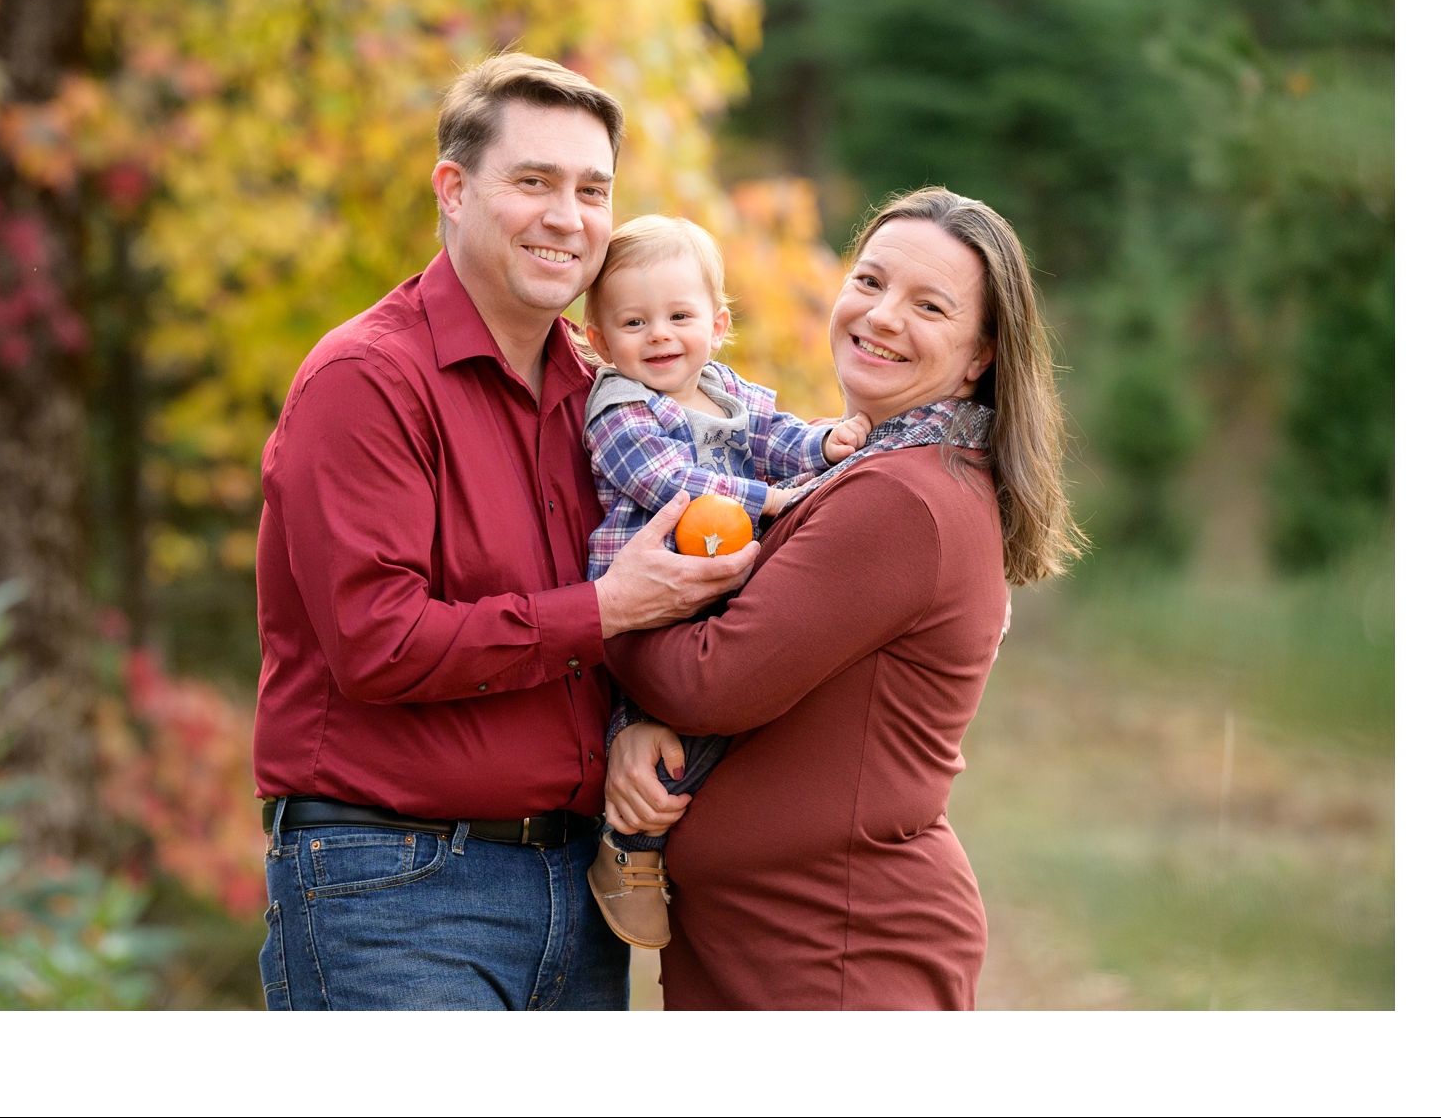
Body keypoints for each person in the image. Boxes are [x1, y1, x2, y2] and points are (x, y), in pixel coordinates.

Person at [251, 53, 757, 1010]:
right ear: (454, 189)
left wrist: (632, 719)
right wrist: (605, 610)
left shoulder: (607, 390)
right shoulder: (366, 380)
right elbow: (380, 644)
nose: (568, 216)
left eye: (592, 189)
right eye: (534, 182)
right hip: (393, 886)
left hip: (578, 887)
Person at [602, 187, 1083, 1009]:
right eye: (869, 281)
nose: (882, 316)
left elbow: (713, 677)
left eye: (928, 305)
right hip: (783, 942)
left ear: (980, 355)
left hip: (837, 950)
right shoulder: (869, 466)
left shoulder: (903, 498)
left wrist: (608, 607)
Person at [573, 214, 870, 948]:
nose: (661, 335)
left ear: (717, 322)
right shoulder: (618, 406)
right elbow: (661, 476)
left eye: (680, 315)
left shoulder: (723, 387)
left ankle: (700, 835)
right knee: (666, 717)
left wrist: (823, 442)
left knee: (744, 692)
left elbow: (771, 437)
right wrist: (761, 499)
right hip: (651, 589)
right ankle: (627, 844)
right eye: (634, 322)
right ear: (602, 341)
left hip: (719, 579)